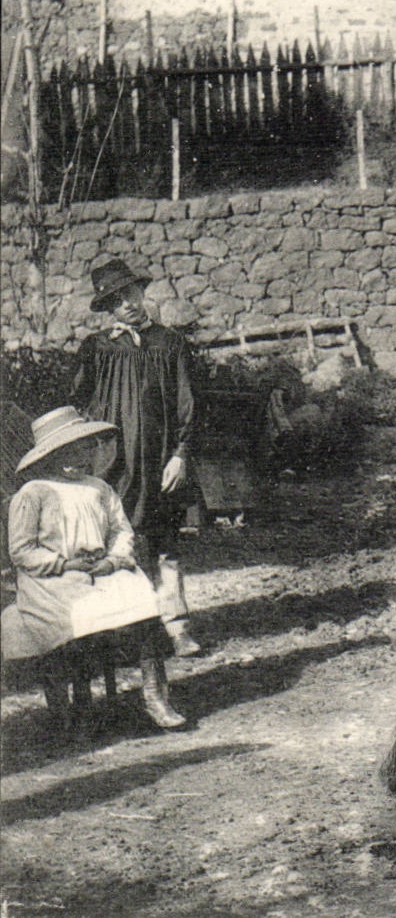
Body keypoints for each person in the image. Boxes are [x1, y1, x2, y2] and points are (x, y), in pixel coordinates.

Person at [2, 406, 187, 729]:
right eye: (73, 450)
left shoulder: (99, 488)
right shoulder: (32, 493)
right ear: (54, 455)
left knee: (140, 598)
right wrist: (64, 564)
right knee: (73, 619)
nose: (84, 457)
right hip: (52, 578)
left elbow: (120, 530)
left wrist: (113, 560)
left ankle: (155, 697)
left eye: (87, 448)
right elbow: (22, 550)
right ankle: (74, 711)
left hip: (102, 568)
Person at [72, 258, 202, 657]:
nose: (127, 304)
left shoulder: (170, 343)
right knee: (118, 546)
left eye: (131, 294)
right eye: (116, 300)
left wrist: (180, 454)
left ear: (142, 293)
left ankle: (176, 626)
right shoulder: (97, 349)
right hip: (116, 463)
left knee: (165, 544)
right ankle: (129, 633)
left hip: (160, 459)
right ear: (107, 308)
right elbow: (78, 402)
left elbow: (189, 404)